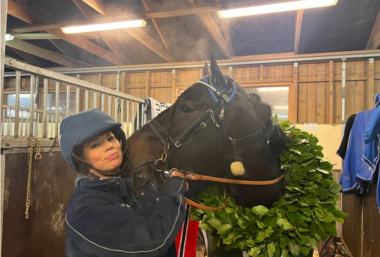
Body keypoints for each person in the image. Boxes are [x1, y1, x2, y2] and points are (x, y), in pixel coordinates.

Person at [60, 109, 187, 257]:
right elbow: (151, 241)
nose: (109, 146)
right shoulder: (84, 209)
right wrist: (175, 186)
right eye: (95, 145)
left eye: (110, 138)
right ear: (81, 159)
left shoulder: (131, 185)